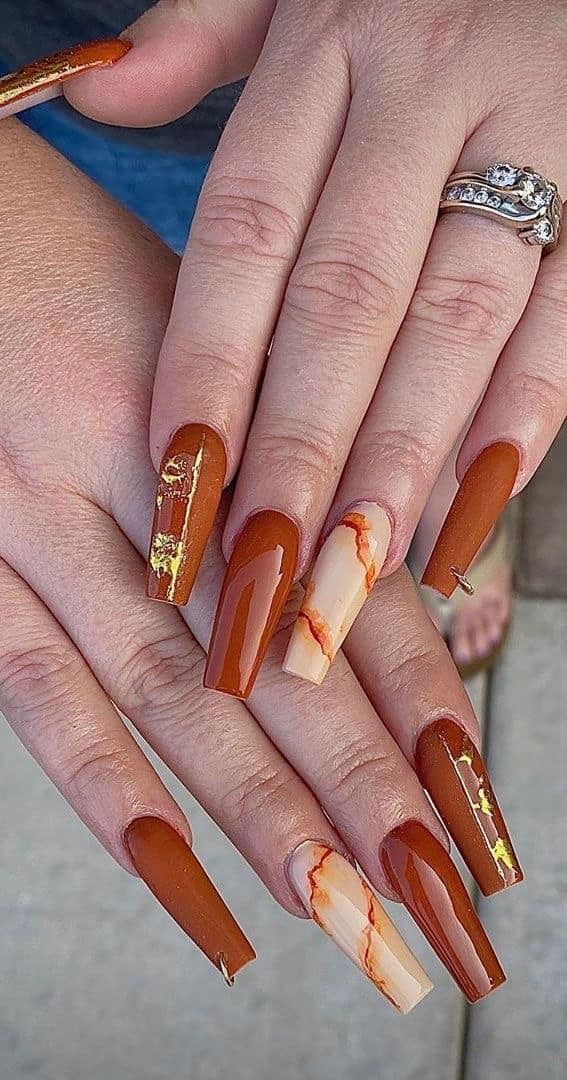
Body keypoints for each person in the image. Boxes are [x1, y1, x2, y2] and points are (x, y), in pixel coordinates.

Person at [0, 0, 564, 1007]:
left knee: (443, 362)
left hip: (449, 88)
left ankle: (468, 508)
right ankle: (449, 517)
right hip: (43, 95)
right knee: (290, 390)